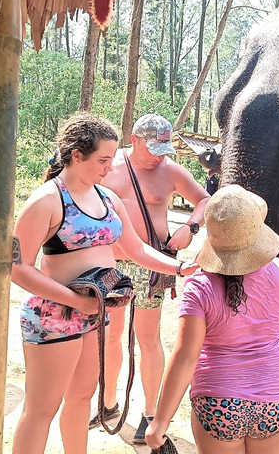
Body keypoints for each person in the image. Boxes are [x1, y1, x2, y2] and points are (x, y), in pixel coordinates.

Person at [9, 113, 198, 454]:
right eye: (103, 160)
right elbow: (18, 267)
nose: (110, 168)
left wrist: (181, 267)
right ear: (76, 155)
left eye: (112, 160)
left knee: (82, 398)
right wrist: (74, 299)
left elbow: (137, 249)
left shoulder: (106, 198)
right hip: (55, 316)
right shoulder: (46, 200)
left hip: (94, 313)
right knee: (41, 410)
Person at [145, 184, 279, 454]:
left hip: (218, 403)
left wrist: (160, 421)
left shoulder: (199, 287)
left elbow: (185, 357)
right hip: (273, 401)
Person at [93, 113, 210, 441]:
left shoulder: (170, 171)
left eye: (163, 148)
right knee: (111, 336)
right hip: (111, 263)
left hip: (152, 265)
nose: (158, 155)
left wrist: (191, 228)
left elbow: (204, 200)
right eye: (153, 147)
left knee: (147, 338)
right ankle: (108, 404)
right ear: (135, 140)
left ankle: (150, 412)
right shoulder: (108, 167)